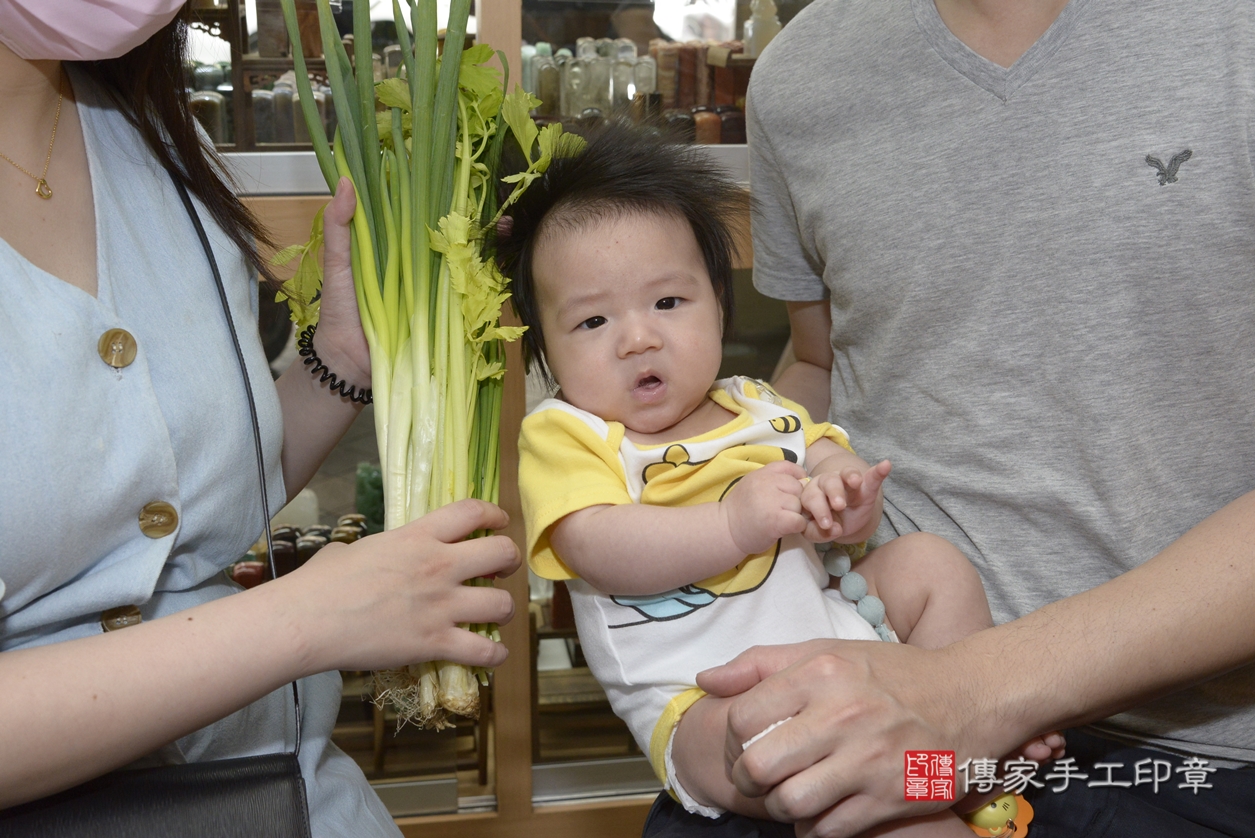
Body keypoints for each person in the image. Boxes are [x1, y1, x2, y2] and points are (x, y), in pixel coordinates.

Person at [669, 0, 1255, 836]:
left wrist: (967, 691)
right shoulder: (801, 75)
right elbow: (821, 363)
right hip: (873, 698)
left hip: (1194, 761)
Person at [0, 5, 519, 836]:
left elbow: (189, 507)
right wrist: (302, 622)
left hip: (294, 795)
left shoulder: (161, 146)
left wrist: (341, 360)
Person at [500, 128, 1059, 835]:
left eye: (668, 303)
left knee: (928, 563)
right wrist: (732, 524)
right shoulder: (569, 433)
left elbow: (828, 464)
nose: (637, 337)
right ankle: (938, 793)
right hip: (705, 701)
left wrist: (844, 499)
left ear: (718, 301)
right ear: (543, 347)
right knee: (861, 795)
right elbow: (594, 544)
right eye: (591, 319)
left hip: (838, 634)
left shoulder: (756, 404)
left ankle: (968, 731)